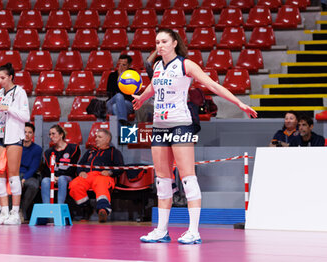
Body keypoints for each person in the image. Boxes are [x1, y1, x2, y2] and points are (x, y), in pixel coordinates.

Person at [133, 29, 257, 244]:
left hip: (180, 125)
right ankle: (162, 230)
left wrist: (239, 103)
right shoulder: (157, 66)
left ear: (174, 43)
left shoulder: (186, 65)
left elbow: (211, 85)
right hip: (159, 126)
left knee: (188, 177)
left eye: (164, 41)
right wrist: (142, 98)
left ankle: (193, 231)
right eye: (157, 42)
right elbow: (155, 86)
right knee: (162, 180)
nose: (159, 45)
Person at [0, 63, 30, 225]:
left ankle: (14, 212)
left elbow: (25, 116)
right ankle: (3, 211)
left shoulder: (20, 93)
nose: (0, 81)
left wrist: (8, 108)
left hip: (13, 137)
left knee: (13, 174)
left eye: (3, 78)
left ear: (11, 77)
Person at [69, 129, 124, 222]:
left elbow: (121, 167)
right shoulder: (90, 152)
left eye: (99, 137)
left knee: (101, 186)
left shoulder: (114, 152)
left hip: (103, 177)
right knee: (74, 185)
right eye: (96, 137)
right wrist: (80, 172)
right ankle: (86, 209)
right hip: (87, 176)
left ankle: (103, 210)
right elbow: (79, 165)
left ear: (107, 139)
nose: (96, 139)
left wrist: (110, 172)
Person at [41, 124, 80, 204]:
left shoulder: (73, 148)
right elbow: (46, 169)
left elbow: (73, 168)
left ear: (61, 134)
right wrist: (53, 177)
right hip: (53, 177)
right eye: (50, 134)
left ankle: (60, 207)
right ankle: (47, 210)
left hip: (68, 177)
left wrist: (58, 178)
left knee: (62, 179)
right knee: (45, 180)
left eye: (53, 134)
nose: (51, 137)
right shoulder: (48, 152)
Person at [20, 122, 42, 221]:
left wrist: (24, 179)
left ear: (33, 134)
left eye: (30, 132)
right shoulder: (16, 147)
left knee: (33, 185)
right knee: (10, 184)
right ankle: (11, 210)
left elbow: (33, 167)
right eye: (25, 132)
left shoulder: (37, 149)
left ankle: (23, 210)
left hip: (29, 175)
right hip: (15, 174)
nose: (27, 135)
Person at [106, 54, 134, 126]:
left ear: (129, 65)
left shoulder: (133, 75)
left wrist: (122, 80)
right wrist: (119, 78)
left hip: (127, 103)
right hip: (111, 102)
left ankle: (117, 135)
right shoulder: (112, 75)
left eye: (124, 65)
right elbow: (109, 93)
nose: (121, 67)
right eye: (119, 64)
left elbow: (130, 94)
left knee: (116, 107)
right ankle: (124, 122)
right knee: (118, 96)